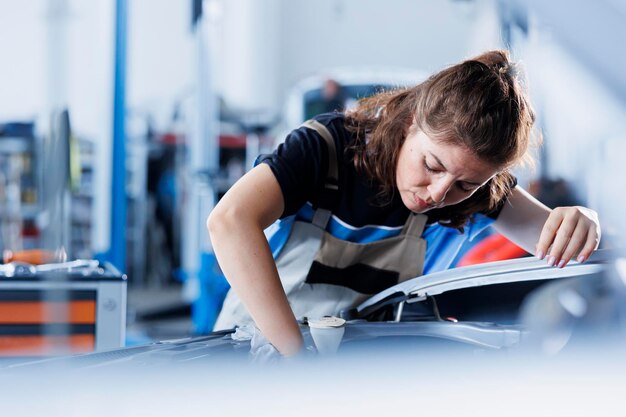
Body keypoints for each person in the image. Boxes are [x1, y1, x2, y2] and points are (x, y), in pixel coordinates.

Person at [207, 50, 601, 357]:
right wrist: (294, 356)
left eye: (465, 184)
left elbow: (562, 245)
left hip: (360, 364)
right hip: (255, 347)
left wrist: (584, 223)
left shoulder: (479, 187)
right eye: (431, 164)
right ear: (411, 121)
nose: (438, 194)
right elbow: (229, 221)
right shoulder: (325, 148)